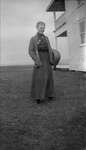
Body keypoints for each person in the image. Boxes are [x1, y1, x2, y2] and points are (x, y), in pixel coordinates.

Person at [29, 21, 55, 104]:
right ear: (37, 28)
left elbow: (49, 49)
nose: (42, 29)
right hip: (39, 60)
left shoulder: (46, 38)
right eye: (41, 27)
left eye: (43, 27)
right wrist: (37, 60)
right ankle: (38, 97)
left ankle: (50, 94)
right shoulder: (33, 39)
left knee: (49, 77)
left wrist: (51, 58)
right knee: (39, 79)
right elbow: (31, 51)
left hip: (47, 59)